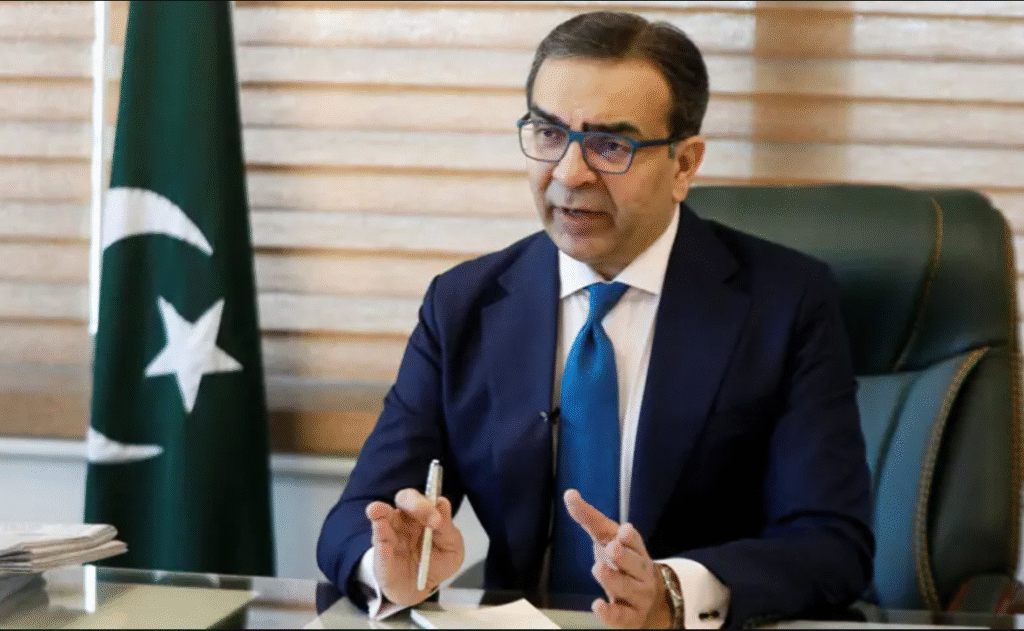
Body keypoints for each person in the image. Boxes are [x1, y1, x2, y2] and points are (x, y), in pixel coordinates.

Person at [317, 10, 873, 629]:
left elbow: (832, 542)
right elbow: (361, 513)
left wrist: (673, 592)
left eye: (610, 146)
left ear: (684, 165)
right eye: (549, 135)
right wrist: (387, 567)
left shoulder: (785, 302)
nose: (569, 174)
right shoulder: (464, 304)